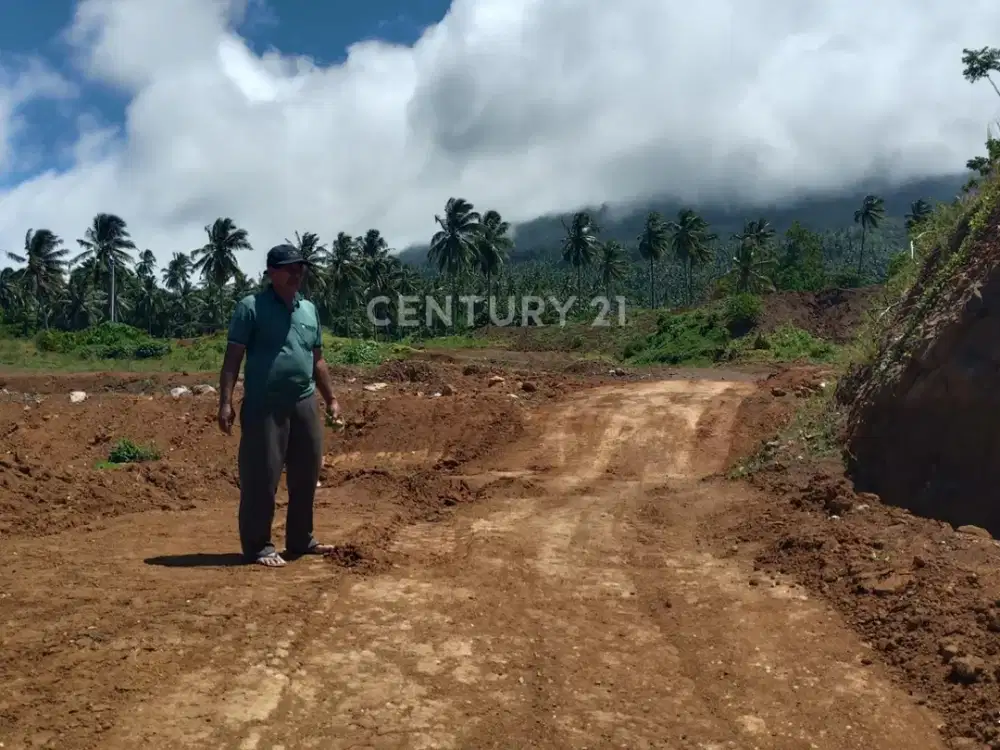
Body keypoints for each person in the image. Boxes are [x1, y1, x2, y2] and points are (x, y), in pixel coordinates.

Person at [217, 243, 341, 567]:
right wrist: (225, 403)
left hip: (304, 401)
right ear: (271, 272)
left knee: (306, 472)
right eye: (290, 268)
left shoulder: (309, 310)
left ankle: (301, 539)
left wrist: (331, 399)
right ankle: (258, 546)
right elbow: (233, 359)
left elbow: (318, 359)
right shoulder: (251, 307)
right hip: (264, 405)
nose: (297, 273)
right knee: (262, 476)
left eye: (300, 268)